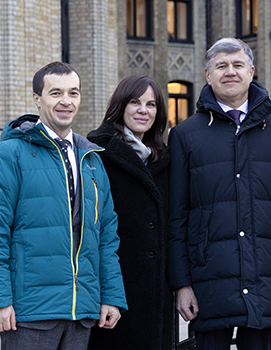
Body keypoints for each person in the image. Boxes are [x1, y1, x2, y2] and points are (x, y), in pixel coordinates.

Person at [0, 61, 127, 349]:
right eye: (56, 93)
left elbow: (105, 235)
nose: (66, 101)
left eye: (73, 93)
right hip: (29, 313)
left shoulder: (91, 160)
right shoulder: (7, 155)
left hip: (82, 311)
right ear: (37, 99)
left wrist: (112, 296)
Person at [167, 37, 271, 350]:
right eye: (221, 66)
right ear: (208, 74)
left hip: (266, 276)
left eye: (237, 65)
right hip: (208, 278)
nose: (230, 72)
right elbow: (177, 215)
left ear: (251, 71)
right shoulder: (185, 135)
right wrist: (182, 284)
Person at [86, 75, 173, 350]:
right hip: (115, 290)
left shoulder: (162, 157)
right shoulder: (98, 153)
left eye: (151, 104)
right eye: (135, 102)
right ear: (121, 105)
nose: (143, 110)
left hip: (157, 291)